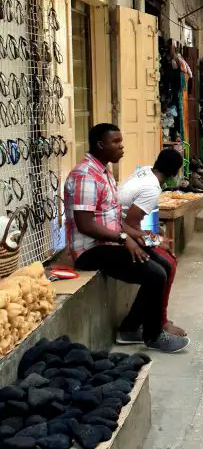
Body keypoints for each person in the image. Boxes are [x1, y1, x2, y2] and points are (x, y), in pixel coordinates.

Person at [64, 124, 190, 354]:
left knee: (163, 264)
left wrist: (142, 236)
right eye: (116, 142)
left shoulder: (104, 172)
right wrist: (124, 239)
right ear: (100, 145)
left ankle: (130, 328)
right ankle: (152, 335)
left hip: (108, 243)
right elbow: (85, 224)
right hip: (90, 251)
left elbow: (113, 219)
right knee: (155, 274)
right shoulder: (85, 176)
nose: (122, 146)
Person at [118, 148, 187, 337]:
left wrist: (155, 238)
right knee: (168, 264)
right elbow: (129, 225)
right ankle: (160, 321)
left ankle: (154, 318)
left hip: (123, 227)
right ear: (174, 173)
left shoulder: (146, 171)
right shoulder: (152, 188)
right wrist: (155, 241)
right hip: (119, 234)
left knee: (167, 258)